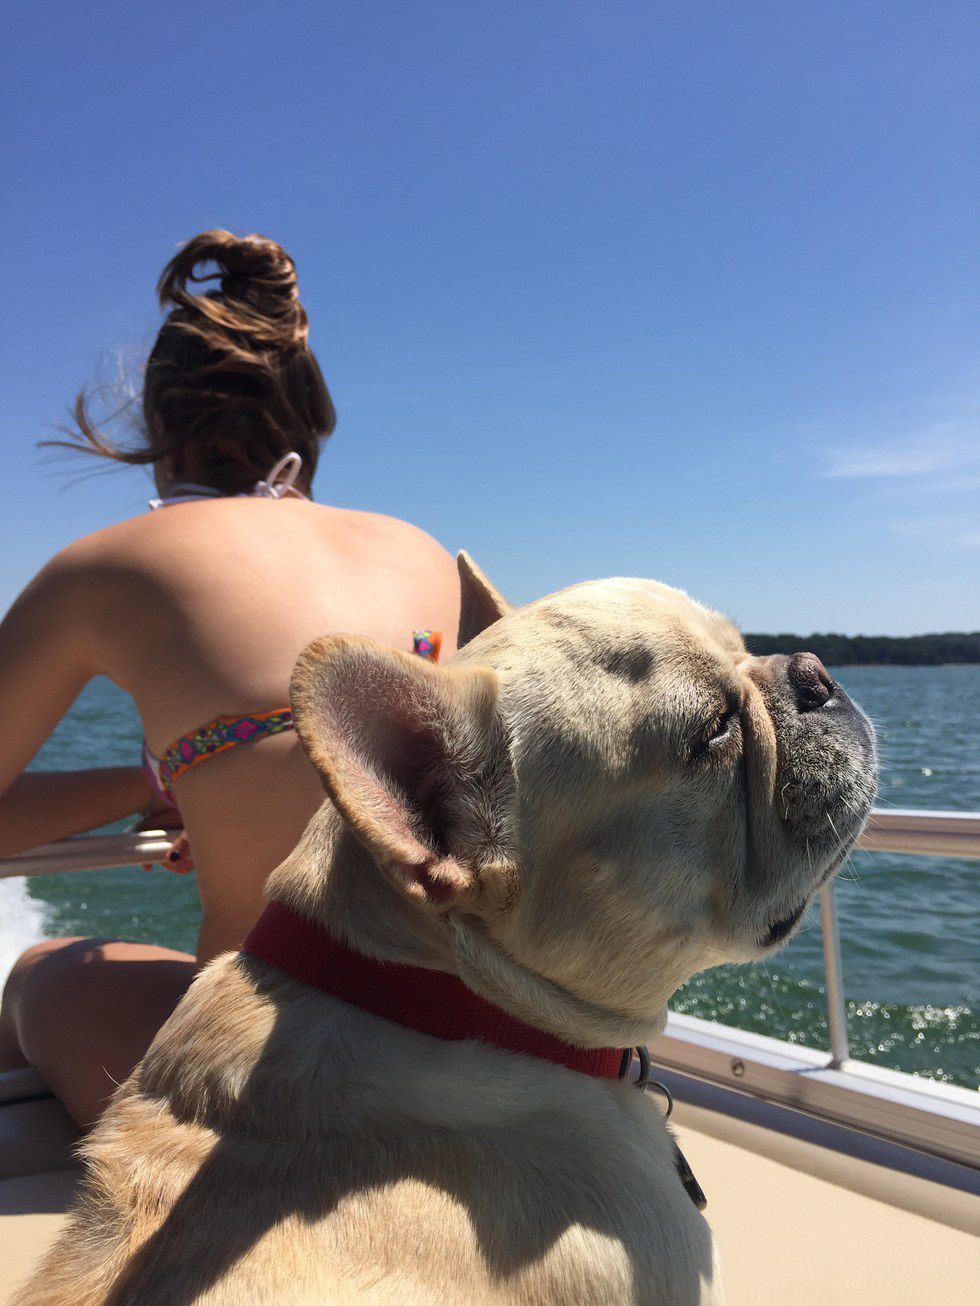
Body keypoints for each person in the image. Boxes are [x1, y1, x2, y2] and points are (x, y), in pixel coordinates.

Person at [0, 231, 461, 1128]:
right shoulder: (421, 554)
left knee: (39, 970)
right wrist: (193, 778)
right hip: (460, 1058)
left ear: (160, 432)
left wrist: (151, 782)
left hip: (265, 1101)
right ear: (310, 428)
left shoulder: (108, 566)